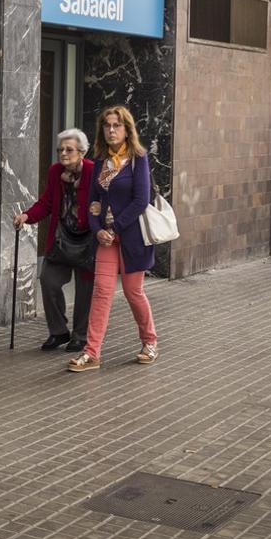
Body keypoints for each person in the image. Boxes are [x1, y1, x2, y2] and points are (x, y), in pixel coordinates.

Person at [68, 106, 158, 372]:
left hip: (131, 238)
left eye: (117, 125)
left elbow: (141, 199)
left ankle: (150, 341)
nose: (111, 130)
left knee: (133, 292)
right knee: (101, 292)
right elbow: (92, 201)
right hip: (105, 238)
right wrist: (97, 229)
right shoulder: (100, 161)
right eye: (107, 125)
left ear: (127, 129)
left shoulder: (138, 158)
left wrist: (114, 227)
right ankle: (91, 352)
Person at [13, 130, 96, 353]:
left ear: (82, 152)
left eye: (69, 150)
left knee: (85, 290)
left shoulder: (92, 171)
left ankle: (80, 335)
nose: (63, 154)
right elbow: (47, 202)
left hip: (88, 240)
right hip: (61, 239)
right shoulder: (55, 172)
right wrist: (27, 216)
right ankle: (58, 331)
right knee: (48, 280)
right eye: (60, 150)